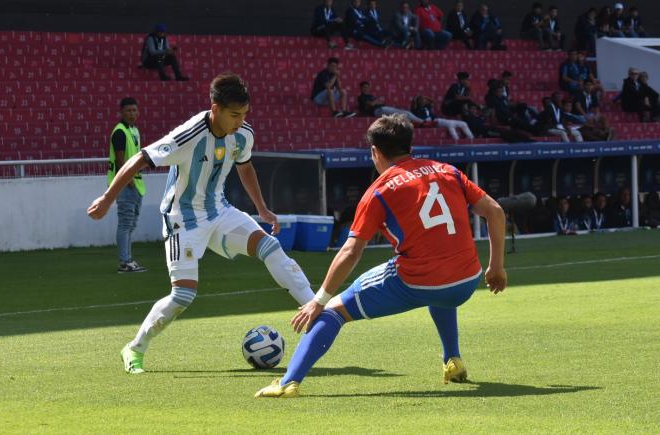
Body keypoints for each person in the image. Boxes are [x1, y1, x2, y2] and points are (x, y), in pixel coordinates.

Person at [254, 114, 507, 398]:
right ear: (409, 145)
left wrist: (318, 300)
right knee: (440, 287)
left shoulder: (379, 191)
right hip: (466, 282)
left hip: (417, 282)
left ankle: (289, 382)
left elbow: (351, 251)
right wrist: (495, 267)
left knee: (333, 311)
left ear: (375, 152)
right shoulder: (449, 170)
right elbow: (495, 212)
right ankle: (453, 360)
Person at [87, 74, 316, 374]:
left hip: (219, 211)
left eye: (245, 114)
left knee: (270, 247)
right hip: (182, 219)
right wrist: (107, 199)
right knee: (183, 295)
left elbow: (245, 168)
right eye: (234, 115)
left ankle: (318, 313)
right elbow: (140, 160)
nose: (240, 121)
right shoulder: (189, 134)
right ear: (215, 108)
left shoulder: (243, 134)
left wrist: (262, 208)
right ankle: (134, 348)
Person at [109, 97, 147, 273]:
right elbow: (120, 158)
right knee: (125, 224)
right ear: (122, 112)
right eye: (128, 110)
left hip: (136, 183)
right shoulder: (120, 132)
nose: (132, 113)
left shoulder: (133, 130)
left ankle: (127, 259)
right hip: (126, 184)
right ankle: (125, 262)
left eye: (134, 110)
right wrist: (128, 179)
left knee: (130, 224)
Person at [357, 81, 422, 122]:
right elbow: (371, 104)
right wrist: (376, 101)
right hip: (377, 111)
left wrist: (376, 102)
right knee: (405, 114)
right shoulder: (361, 97)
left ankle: (421, 122)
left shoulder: (371, 96)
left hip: (383, 108)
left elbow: (381, 102)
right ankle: (423, 122)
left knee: (405, 114)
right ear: (361, 88)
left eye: (367, 87)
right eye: (364, 87)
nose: (366, 89)